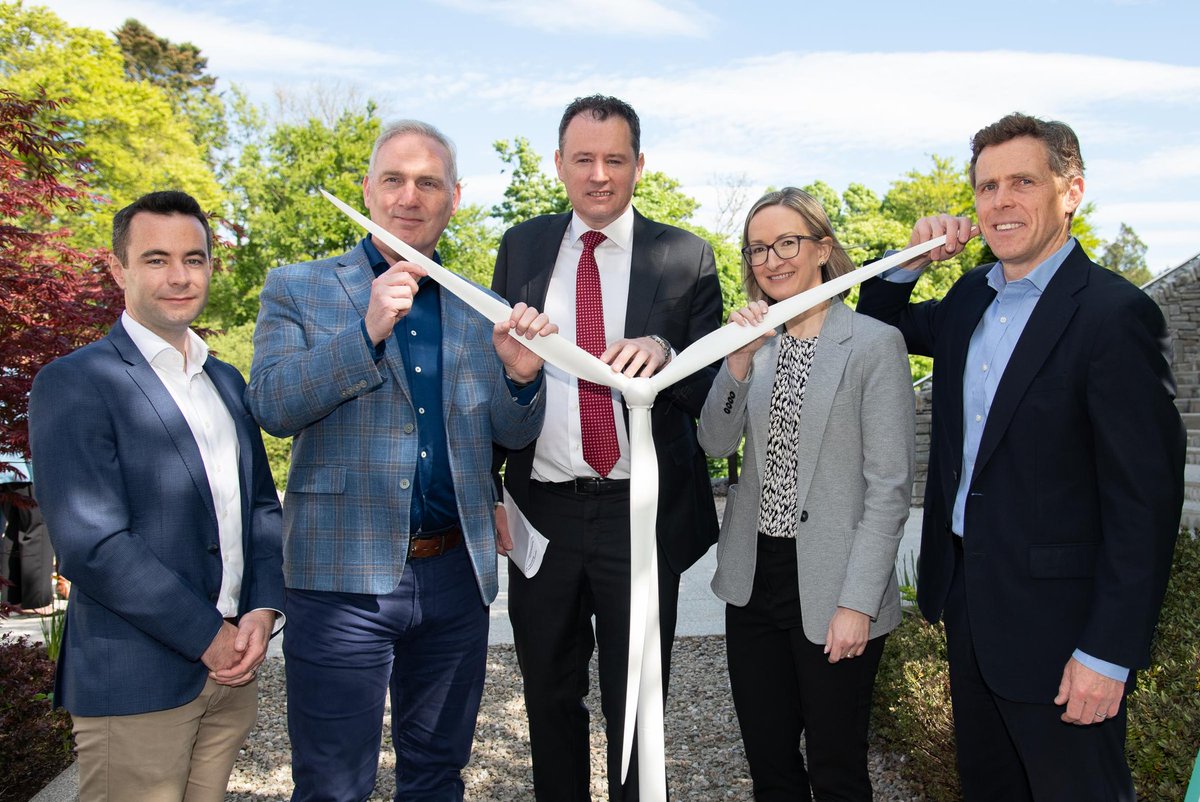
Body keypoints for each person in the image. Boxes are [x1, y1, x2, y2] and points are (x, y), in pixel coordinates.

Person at [857, 112, 1184, 800]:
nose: (1000, 201)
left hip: (1065, 633)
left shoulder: (1113, 316)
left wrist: (1107, 653)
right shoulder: (971, 296)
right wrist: (908, 264)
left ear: (1072, 191)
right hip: (973, 608)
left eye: (1023, 182)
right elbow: (880, 328)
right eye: (986, 187)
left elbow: (1143, 505)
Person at [246, 119, 554, 802]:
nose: (409, 196)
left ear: (454, 198)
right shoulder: (298, 288)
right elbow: (269, 403)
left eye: (428, 183)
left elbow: (508, 433)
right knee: (331, 784)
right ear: (368, 189)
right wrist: (365, 334)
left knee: (438, 776)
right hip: (340, 581)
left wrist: (522, 378)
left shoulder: (484, 309)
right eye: (394, 179)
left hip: (453, 576)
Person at [491, 94, 723, 801]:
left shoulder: (684, 255)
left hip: (641, 516)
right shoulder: (522, 247)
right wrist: (486, 489)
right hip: (545, 512)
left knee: (639, 704)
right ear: (559, 165)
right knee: (548, 694)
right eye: (583, 159)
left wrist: (667, 350)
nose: (599, 174)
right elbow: (496, 380)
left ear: (639, 166)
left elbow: (711, 382)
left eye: (614, 159)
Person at [27, 190, 285, 802]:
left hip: (234, 667)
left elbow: (260, 509)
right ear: (118, 269)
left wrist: (262, 611)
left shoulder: (225, 380)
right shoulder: (76, 382)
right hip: (137, 679)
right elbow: (92, 545)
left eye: (194, 259)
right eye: (156, 259)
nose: (179, 276)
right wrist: (208, 635)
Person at [697, 188, 914, 800]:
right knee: (769, 762)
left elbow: (890, 488)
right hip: (754, 578)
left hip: (836, 581)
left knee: (836, 764)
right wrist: (736, 362)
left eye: (788, 242)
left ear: (822, 248)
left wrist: (858, 603)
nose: (773, 259)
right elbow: (713, 442)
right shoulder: (752, 341)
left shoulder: (873, 343)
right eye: (759, 248)